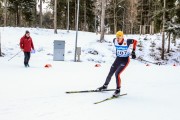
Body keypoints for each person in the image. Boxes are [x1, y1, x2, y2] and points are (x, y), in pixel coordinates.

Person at [97, 31, 137, 97]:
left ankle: (118, 90)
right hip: (118, 59)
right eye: (117, 37)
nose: (118, 39)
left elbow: (135, 41)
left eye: (119, 37)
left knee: (117, 74)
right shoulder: (114, 40)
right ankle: (105, 86)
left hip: (125, 60)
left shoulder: (127, 41)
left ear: (122, 37)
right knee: (110, 72)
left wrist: (133, 51)